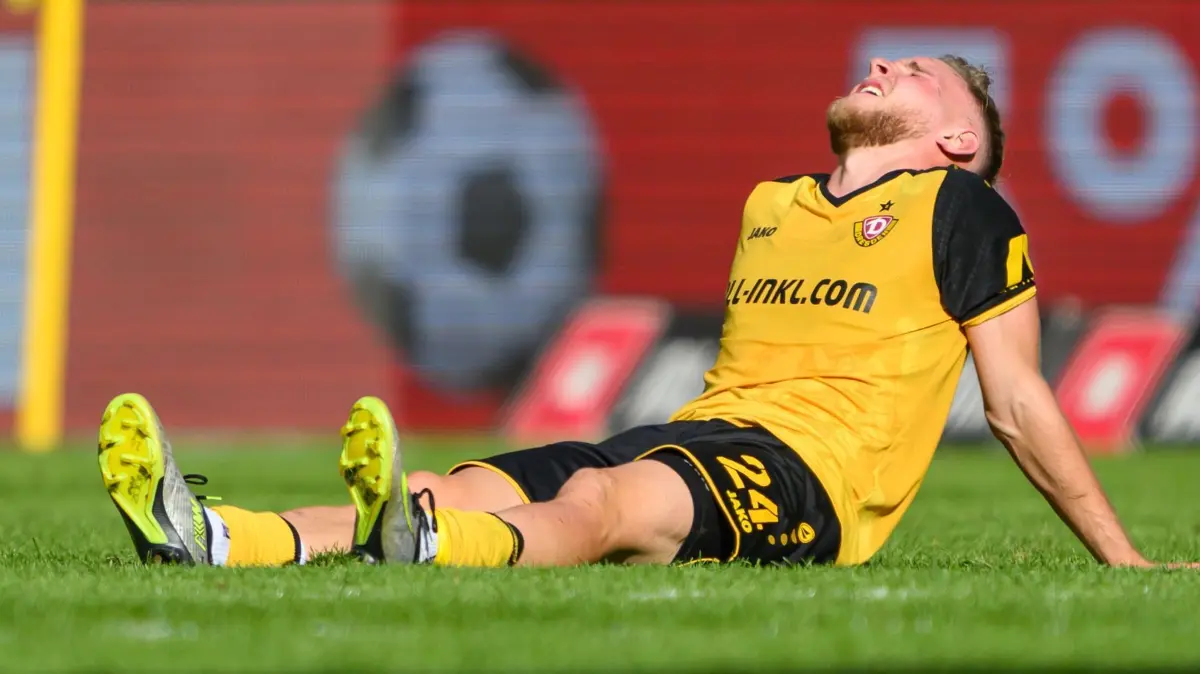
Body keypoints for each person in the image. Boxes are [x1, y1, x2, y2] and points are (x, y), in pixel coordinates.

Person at [97, 54, 1195, 570]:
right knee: (466, 477)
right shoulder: (774, 203)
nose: (882, 64)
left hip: (808, 475)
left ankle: (430, 545)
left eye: (919, 74)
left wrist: (1126, 563)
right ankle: (216, 535)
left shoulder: (963, 206)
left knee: (606, 498)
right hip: (697, 431)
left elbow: (1015, 398)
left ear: (958, 140)